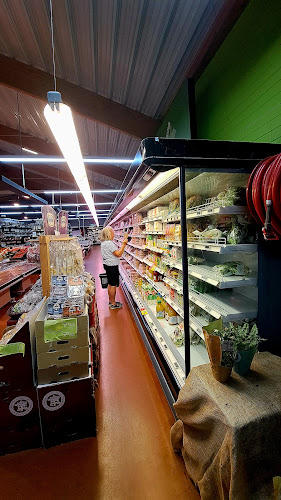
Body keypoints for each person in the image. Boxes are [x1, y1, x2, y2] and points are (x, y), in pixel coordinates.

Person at [100, 226, 128, 309]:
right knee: (113, 285)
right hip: (112, 266)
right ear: (109, 234)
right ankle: (113, 303)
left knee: (110, 283)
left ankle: (110, 300)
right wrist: (123, 244)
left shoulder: (104, 243)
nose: (113, 234)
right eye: (112, 233)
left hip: (107, 265)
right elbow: (118, 254)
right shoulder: (109, 243)